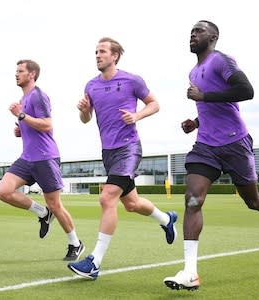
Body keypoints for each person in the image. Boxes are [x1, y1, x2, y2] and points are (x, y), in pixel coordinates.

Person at [163, 21, 259, 291]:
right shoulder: (193, 70)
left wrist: (204, 95)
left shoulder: (221, 60)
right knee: (192, 200)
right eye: (191, 31)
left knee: (254, 201)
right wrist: (196, 123)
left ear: (212, 37)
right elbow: (211, 106)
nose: (192, 34)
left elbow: (246, 91)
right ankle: (190, 273)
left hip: (235, 143)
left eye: (198, 31)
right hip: (206, 146)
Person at [67, 37, 178, 280]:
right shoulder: (91, 86)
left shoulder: (132, 80)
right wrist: (84, 112)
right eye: (96, 52)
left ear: (115, 56)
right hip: (108, 152)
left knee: (107, 198)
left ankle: (94, 261)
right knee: (132, 204)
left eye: (102, 51)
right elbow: (86, 120)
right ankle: (166, 219)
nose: (97, 55)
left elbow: (155, 104)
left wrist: (136, 116)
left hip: (129, 148)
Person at [0, 59, 85, 261]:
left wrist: (21, 115)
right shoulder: (24, 99)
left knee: (55, 204)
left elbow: (47, 125)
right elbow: (31, 124)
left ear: (32, 75)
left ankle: (75, 243)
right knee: (3, 191)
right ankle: (42, 213)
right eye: (16, 71)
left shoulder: (38, 96)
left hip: (45, 157)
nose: (16, 74)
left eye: (20, 71)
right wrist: (21, 129)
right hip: (27, 157)